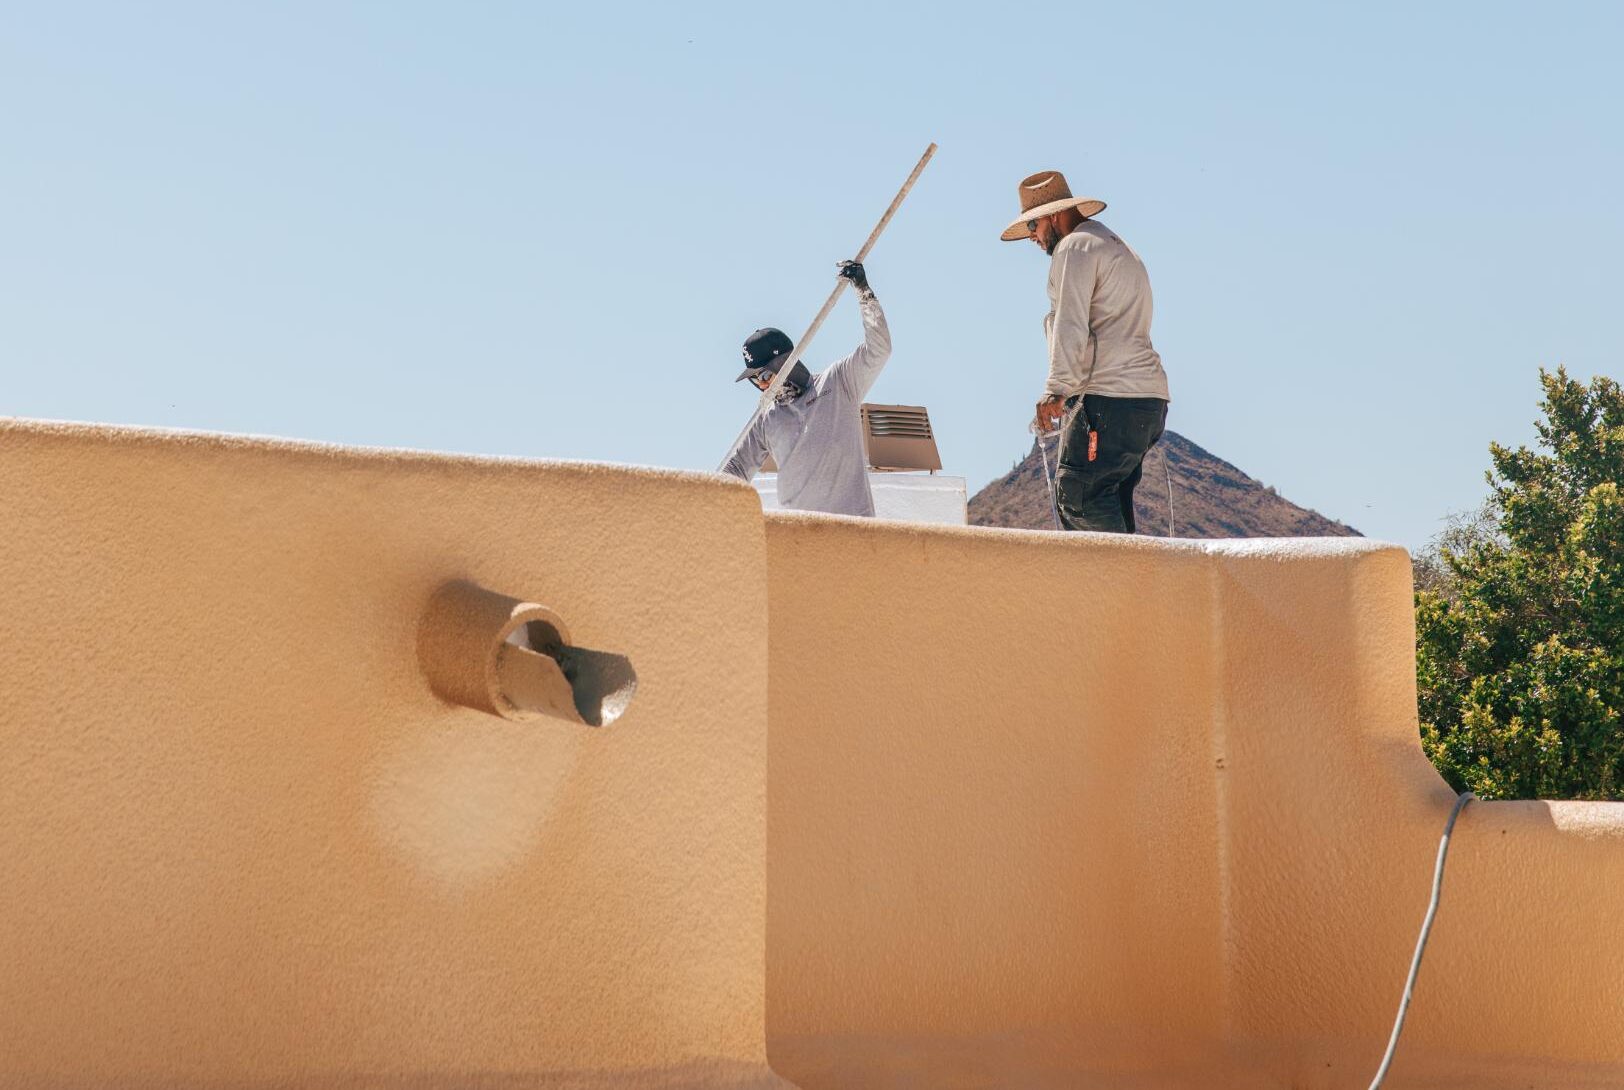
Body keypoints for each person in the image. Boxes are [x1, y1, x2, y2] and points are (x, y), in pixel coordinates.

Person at [1001, 170, 1170, 533]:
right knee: (1109, 500)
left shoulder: (1074, 247)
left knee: (1078, 496)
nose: (1032, 237)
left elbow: (1070, 321)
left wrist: (1056, 389)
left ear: (1054, 216)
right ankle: (1130, 568)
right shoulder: (1112, 244)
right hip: (1145, 401)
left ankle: (1120, 571)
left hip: (1108, 398)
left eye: (1032, 225)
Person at [721, 260, 892, 517]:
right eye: (755, 380)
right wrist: (707, 498)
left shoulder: (838, 382)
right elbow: (737, 468)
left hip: (852, 528)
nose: (762, 385)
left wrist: (863, 292)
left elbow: (879, 350)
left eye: (765, 375)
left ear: (785, 364)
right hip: (800, 533)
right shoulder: (768, 418)